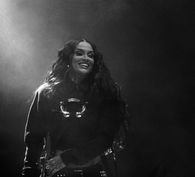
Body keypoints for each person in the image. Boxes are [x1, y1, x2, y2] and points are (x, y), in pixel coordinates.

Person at [22, 39, 129, 177]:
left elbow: (105, 138)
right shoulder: (46, 93)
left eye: (90, 55)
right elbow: (34, 138)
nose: (86, 58)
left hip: (94, 172)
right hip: (58, 173)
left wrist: (67, 158)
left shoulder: (106, 93)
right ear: (68, 58)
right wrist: (29, 171)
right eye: (79, 53)